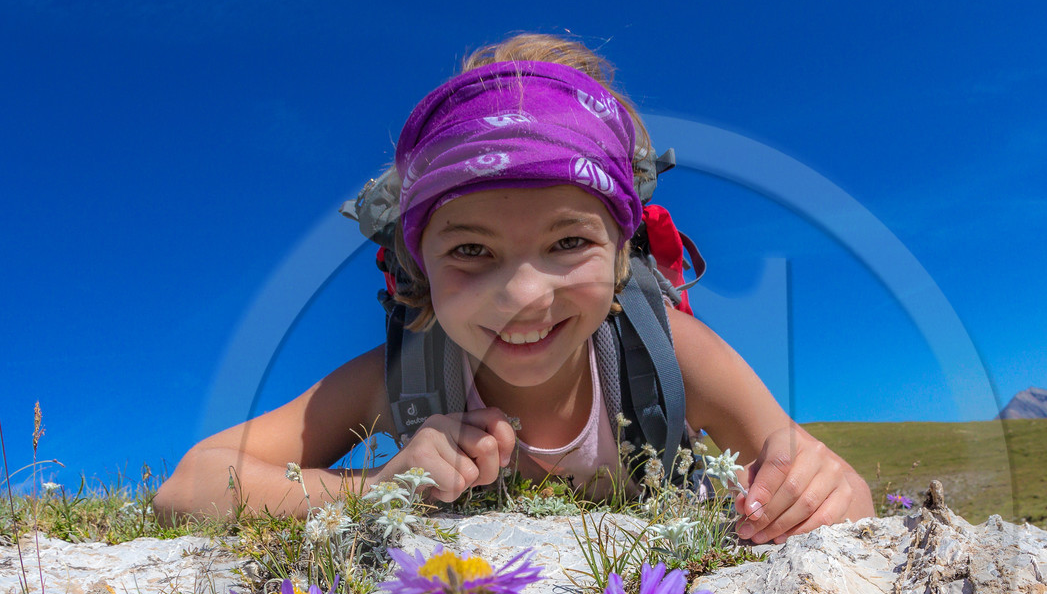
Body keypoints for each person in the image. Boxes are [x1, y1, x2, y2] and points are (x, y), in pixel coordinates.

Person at [155, 34, 874, 544]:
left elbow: (824, 481)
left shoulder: (668, 353)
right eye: (471, 250)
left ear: (623, 252)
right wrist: (382, 490)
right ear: (417, 266)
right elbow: (190, 484)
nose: (525, 293)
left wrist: (824, 489)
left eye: (568, 243)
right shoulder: (402, 380)